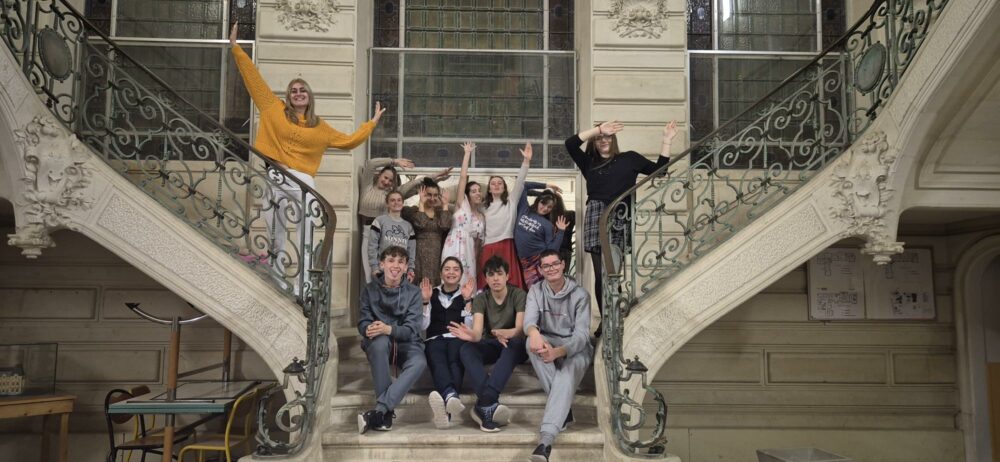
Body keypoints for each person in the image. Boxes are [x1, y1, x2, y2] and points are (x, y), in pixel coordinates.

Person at [229, 23, 384, 275]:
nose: (298, 93)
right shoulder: (273, 108)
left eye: (302, 91)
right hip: (275, 175)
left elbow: (349, 141)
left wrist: (371, 124)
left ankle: (306, 278)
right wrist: (236, 48)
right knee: (275, 228)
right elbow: (254, 80)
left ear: (310, 97)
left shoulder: (320, 128)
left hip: (300, 178)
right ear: (288, 97)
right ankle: (278, 276)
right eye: (293, 91)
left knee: (306, 225)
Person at [566, 120, 678, 335]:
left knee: (613, 272)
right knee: (601, 273)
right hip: (597, 215)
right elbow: (570, 144)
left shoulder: (630, 158)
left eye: (607, 136)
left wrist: (666, 141)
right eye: (599, 138)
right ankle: (607, 318)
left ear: (614, 139)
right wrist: (598, 129)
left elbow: (660, 172)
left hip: (620, 214)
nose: (603, 140)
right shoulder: (589, 162)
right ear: (594, 141)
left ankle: (614, 314)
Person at [523, 250, 593, 462]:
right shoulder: (535, 290)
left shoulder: (581, 295)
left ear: (563, 265)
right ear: (540, 270)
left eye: (555, 264)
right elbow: (529, 321)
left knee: (564, 376)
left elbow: (581, 336)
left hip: (575, 347)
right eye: (546, 266)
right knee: (530, 343)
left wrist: (559, 352)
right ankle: (564, 409)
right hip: (548, 341)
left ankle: (545, 442)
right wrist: (534, 334)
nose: (551, 268)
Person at [448, 255, 527, 432]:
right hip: (492, 343)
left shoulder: (519, 294)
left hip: (515, 345)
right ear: (486, 278)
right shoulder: (481, 298)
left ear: (507, 276)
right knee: (466, 349)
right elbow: (477, 333)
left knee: (512, 343)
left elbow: (521, 329)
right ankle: (487, 405)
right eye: (491, 275)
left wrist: (506, 333)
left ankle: (485, 400)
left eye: (499, 274)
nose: (495, 278)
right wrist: (470, 336)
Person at [357, 246, 427, 434]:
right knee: (379, 343)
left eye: (400, 262)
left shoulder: (413, 292)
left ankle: (381, 411)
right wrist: (367, 328)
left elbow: (412, 329)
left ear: (406, 268)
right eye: (390, 260)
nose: (395, 265)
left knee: (419, 362)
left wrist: (389, 329)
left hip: (407, 343)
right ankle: (384, 412)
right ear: (382, 264)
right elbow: (363, 321)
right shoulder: (369, 290)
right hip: (379, 342)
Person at [359, 159, 452, 283]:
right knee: (370, 275)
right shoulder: (367, 187)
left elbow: (415, 184)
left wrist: (435, 177)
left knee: (390, 276)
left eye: (390, 180)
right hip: (368, 231)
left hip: (387, 234)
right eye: (385, 177)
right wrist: (394, 161)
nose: (387, 182)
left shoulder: (393, 195)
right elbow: (371, 164)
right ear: (379, 175)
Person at [420, 258, 476, 429]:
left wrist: (467, 301)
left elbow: (472, 328)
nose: (451, 272)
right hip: (434, 338)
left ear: (461, 274)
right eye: (447, 269)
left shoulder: (466, 294)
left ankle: (448, 400)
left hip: (457, 339)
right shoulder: (431, 293)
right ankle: (451, 396)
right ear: (440, 273)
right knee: (438, 359)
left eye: (456, 269)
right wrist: (425, 302)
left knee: (455, 360)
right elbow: (423, 326)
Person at [478, 143, 534, 291]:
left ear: (504, 187)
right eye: (493, 184)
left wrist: (526, 161)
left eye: (499, 183)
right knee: (488, 283)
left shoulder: (511, 201)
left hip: (506, 244)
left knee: (510, 282)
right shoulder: (482, 207)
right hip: (488, 246)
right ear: (489, 188)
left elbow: (521, 180)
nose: (496, 185)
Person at [440, 142, 485, 286]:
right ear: (467, 194)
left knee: (468, 284)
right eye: (474, 191)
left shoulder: (482, 217)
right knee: (450, 277)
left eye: (479, 190)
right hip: (453, 245)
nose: (477, 193)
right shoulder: (461, 204)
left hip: (469, 252)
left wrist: (476, 263)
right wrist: (467, 154)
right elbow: (463, 177)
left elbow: (478, 244)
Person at [402, 179, 453, 285]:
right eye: (429, 195)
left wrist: (445, 205)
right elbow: (421, 223)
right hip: (418, 254)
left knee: (434, 286)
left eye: (435, 195)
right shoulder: (413, 211)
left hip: (436, 254)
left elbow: (445, 225)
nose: (432, 198)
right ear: (422, 194)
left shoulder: (440, 212)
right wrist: (421, 203)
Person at [515, 190, 569, 287]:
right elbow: (523, 187)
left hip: (537, 261)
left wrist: (561, 231)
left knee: (538, 291)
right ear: (538, 201)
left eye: (549, 207)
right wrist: (544, 189)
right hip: (522, 261)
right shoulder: (525, 210)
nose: (545, 209)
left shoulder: (548, 225)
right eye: (543, 203)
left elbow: (552, 250)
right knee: (530, 291)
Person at [367, 191, 416, 279]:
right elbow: (372, 246)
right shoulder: (379, 221)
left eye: (399, 200)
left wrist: (410, 269)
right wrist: (374, 267)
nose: (396, 203)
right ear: (387, 203)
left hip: (401, 271)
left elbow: (411, 251)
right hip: (382, 271)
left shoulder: (408, 226)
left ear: (402, 202)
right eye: (392, 200)